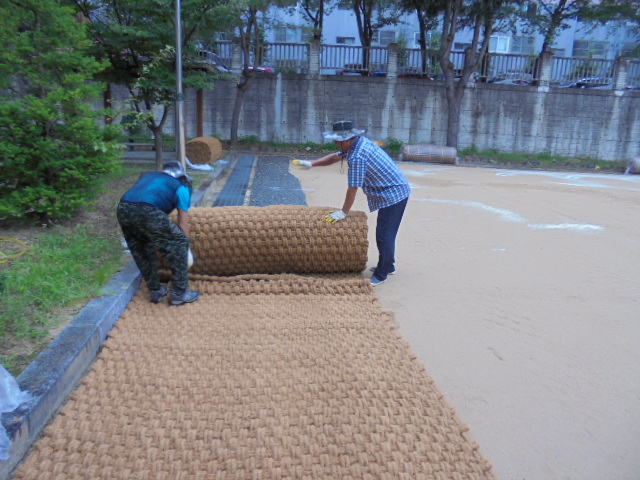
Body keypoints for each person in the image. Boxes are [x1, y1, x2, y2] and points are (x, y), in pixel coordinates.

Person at [292, 120, 411, 286]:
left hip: (394, 193)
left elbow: (353, 189)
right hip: (391, 189)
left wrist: (343, 212)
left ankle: (382, 274)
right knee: (386, 234)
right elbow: (335, 157)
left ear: (347, 139)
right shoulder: (356, 144)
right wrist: (311, 164)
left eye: (337, 140)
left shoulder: (357, 156)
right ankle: (388, 265)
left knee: (384, 235)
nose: (335, 143)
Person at [116, 161, 200, 305]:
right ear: (181, 177)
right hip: (147, 210)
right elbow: (183, 223)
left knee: (142, 249)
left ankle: (156, 290)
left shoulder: (148, 176)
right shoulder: (181, 187)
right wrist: (185, 247)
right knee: (179, 243)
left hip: (123, 208)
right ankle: (180, 293)